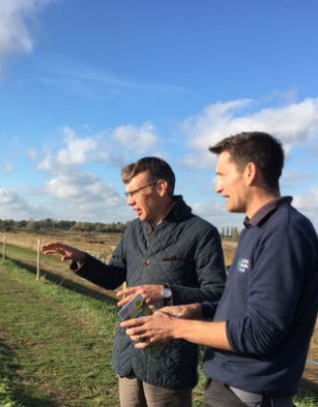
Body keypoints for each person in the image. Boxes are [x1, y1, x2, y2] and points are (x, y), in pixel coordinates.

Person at [121, 132, 318, 407]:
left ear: (250, 172)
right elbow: (237, 305)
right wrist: (195, 310)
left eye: (222, 174)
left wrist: (175, 328)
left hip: (250, 393)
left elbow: (260, 333)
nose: (217, 187)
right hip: (230, 386)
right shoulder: (257, 229)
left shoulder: (283, 233)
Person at [42, 156, 227, 407]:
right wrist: (82, 259)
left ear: (161, 188)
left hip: (168, 361)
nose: (129, 201)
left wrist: (165, 292)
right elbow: (112, 277)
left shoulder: (201, 233)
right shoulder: (133, 230)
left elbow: (217, 293)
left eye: (134, 193)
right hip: (129, 353)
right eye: (127, 194)